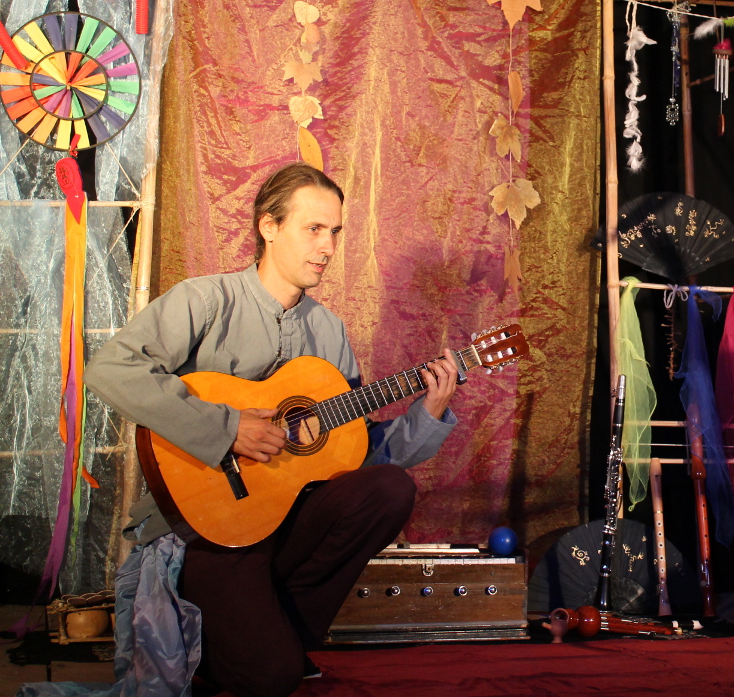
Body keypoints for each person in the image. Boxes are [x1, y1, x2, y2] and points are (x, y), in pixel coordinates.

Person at [86, 163, 462, 697]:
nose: (328, 247)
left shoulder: (328, 330)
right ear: (269, 226)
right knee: (274, 679)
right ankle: (245, 650)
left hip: (286, 524)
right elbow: (111, 369)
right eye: (314, 229)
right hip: (208, 532)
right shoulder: (204, 300)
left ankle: (280, 634)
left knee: (388, 488)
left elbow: (354, 453)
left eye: (335, 231)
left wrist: (429, 411)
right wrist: (226, 428)